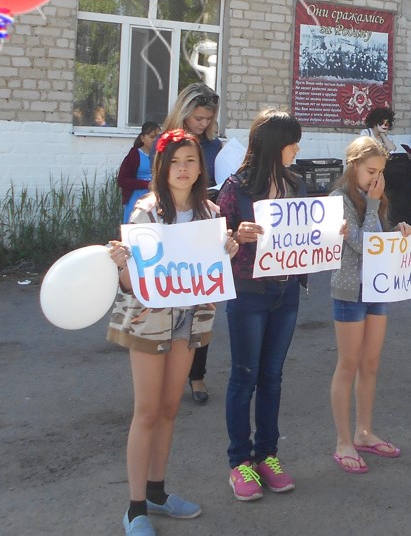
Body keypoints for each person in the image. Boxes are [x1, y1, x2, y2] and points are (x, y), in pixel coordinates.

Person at [106, 129, 241, 536]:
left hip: (190, 321)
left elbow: (213, 272)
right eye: (175, 162)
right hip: (149, 322)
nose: (183, 169)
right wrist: (121, 263)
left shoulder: (210, 215)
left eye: (191, 161)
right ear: (162, 168)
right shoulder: (145, 214)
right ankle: (135, 509)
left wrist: (229, 251)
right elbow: (131, 284)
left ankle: (156, 493)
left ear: (201, 168)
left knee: (168, 409)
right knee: (147, 411)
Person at [218, 109, 316, 501]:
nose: (297, 149)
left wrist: (331, 232)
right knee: (245, 376)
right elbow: (215, 240)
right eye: (293, 142)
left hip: (286, 292)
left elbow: (308, 232)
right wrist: (234, 234)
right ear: (275, 146)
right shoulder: (236, 187)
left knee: (272, 376)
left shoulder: (295, 183)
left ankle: (267, 456)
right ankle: (240, 462)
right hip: (248, 293)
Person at [328, 136, 411, 473]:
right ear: (353, 167)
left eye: (380, 172)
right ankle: (343, 442)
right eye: (370, 171)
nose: (376, 179)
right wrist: (374, 205)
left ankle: (364, 432)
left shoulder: (375, 198)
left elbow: (379, 239)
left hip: (377, 290)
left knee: (371, 363)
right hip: (350, 292)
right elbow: (363, 244)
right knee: (348, 364)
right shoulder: (339, 200)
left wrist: (399, 230)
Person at [162, 84, 223, 404]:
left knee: (202, 306)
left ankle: (197, 375)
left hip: (204, 226)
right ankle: (162, 371)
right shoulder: (167, 142)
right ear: (184, 112)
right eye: (198, 118)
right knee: (166, 304)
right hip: (168, 227)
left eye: (208, 118)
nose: (203, 124)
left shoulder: (214, 145)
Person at [118, 122, 160, 224]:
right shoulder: (135, 155)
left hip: (156, 197)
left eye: (158, 137)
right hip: (137, 197)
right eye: (151, 137)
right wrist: (146, 184)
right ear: (142, 138)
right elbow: (122, 180)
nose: (155, 140)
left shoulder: (161, 155)